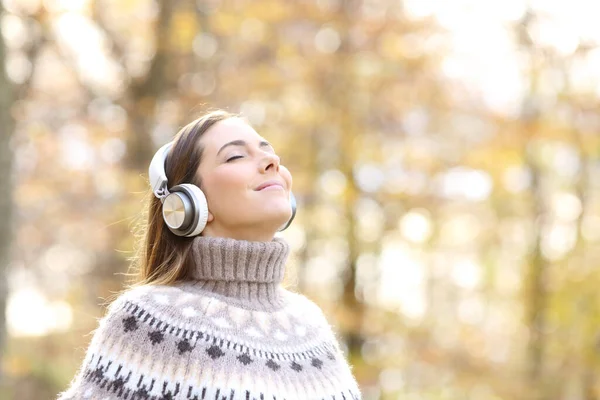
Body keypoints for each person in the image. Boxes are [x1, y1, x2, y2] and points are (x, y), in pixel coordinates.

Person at [57, 110, 362, 400]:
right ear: (189, 204)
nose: (272, 161)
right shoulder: (150, 318)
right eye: (236, 155)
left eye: (268, 151)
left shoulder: (309, 324)